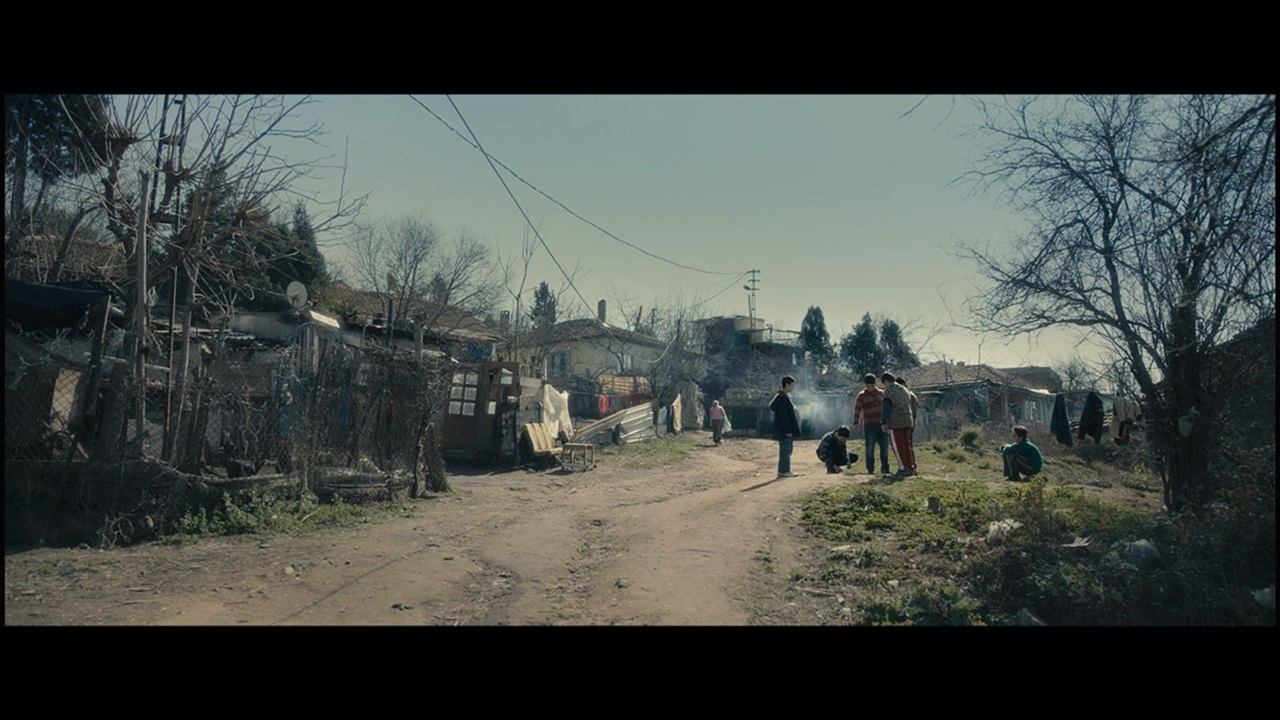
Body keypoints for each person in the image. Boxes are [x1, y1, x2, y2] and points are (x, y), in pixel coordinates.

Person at [852, 373, 890, 475]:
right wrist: (856, 422)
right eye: (868, 386)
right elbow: (857, 409)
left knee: (885, 448)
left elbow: (887, 408)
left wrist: (888, 421)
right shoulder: (861, 396)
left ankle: (885, 469)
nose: (870, 388)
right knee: (870, 449)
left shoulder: (882, 394)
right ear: (865, 385)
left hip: (882, 425)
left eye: (872, 386)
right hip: (869, 426)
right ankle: (870, 470)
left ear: (875, 384)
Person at [881, 372, 917, 476]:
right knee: (907, 446)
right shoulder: (904, 389)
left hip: (896, 422)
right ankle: (911, 467)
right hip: (908, 420)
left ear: (886, 381)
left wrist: (884, 422)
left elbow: (886, 408)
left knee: (898, 446)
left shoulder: (889, 391)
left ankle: (903, 468)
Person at [769, 375, 801, 478]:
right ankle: (784, 471)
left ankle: (784, 470)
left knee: (787, 450)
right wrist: (787, 430)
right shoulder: (782, 398)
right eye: (792, 385)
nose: (793, 387)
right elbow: (784, 417)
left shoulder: (784, 397)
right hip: (783, 430)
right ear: (786, 385)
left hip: (783, 429)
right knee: (785, 450)